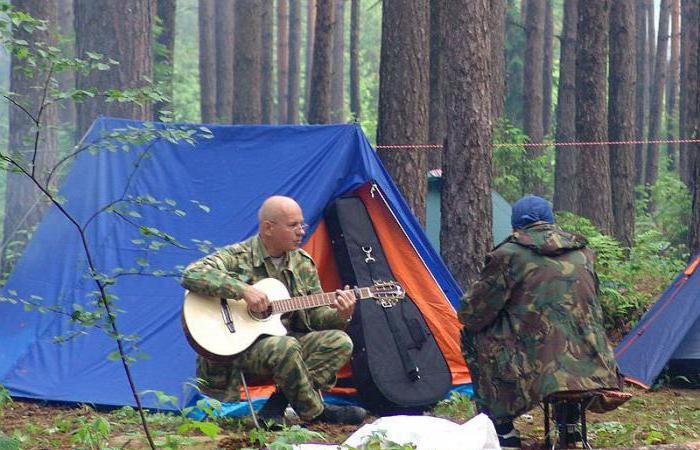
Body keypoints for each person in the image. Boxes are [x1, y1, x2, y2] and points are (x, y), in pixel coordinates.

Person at [181, 195, 367, 426]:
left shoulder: (302, 263)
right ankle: (316, 414)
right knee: (286, 346)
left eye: (302, 225)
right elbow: (192, 273)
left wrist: (342, 314)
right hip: (239, 348)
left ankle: (275, 406)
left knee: (340, 341)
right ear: (268, 228)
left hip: (284, 342)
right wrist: (243, 290)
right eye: (293, 225)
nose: (301, 231)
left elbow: (316, 318)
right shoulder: (239, 255)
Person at [459, 195, 624, 448]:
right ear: (551, 222)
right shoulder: (583, 252)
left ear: (516, 226)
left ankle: (501, 426)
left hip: (537, 368)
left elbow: (473, 314)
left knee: (472, 336)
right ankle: (568, 422)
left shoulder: (509, 254)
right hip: (594, 364)